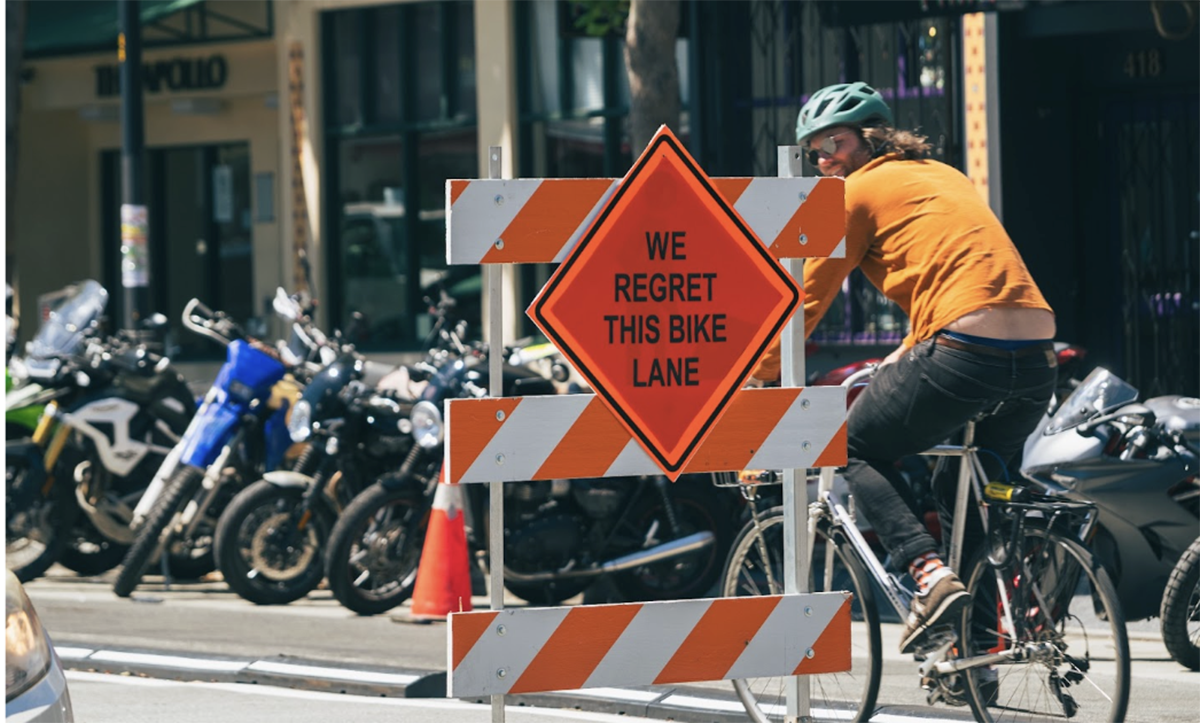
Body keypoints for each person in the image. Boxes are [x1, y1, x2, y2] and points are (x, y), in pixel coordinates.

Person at [750, 82, 1058, 654]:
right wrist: (911, 344)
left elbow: (807, 297)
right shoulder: (945, 174)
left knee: (851, 445)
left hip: (968, 353)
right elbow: (957, 268)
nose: (824, 160)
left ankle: (927, 575)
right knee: (965, 493)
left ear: (870, 138)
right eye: (814, 151)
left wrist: (763, 376)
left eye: (834, 144)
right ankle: (977, 653)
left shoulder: (854, 193)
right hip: (1037, 357)